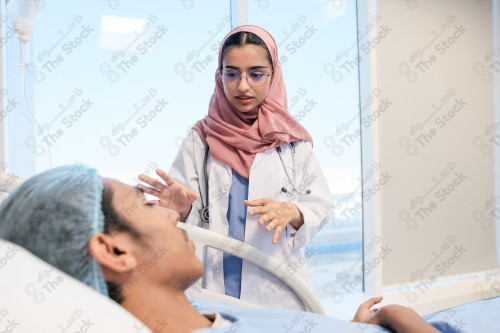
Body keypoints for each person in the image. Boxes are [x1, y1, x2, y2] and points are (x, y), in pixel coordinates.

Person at [0, 165, 440, 333]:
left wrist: (352, 328)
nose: (174, 214)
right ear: (114, 252)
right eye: (145, 203)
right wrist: (401, 319)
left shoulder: (204, 311)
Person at [138, 24, 334, 310]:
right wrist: (180, 210)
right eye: (232, 73)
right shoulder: (200, 139)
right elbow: (185, 216)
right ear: (220, 77)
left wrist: (294, 212)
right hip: (211, 290)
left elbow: (321, 206)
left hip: (277, 293)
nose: (243, 86)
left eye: (256, 74)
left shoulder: (293, 144)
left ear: (273, 75)